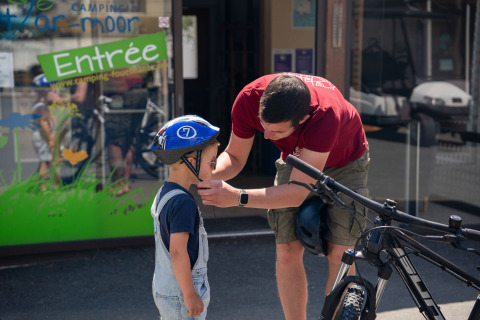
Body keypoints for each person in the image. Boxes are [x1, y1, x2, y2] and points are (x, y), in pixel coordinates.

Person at [197, 73, 369, 320]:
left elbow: (297, 193)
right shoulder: (249, 99)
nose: (266, 136)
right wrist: (207, 172)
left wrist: (238, 196)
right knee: (286, 249)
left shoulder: (325, 114)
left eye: (276, 131)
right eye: (263, 126)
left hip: (346, 162)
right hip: (297, 156)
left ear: (303, 119)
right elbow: (234, 157)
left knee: (340, 253)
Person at [150, 115, 220, 320]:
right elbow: (178, 251)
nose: (215, 168)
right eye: (212, 162)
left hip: (166, 287)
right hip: (181, 294)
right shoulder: (183, 203)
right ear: (191, 161)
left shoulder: (165, 193)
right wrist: (190, 295)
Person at [31, 73, 68, 188]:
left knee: (47, 161)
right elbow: (44, 123)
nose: (55, 89)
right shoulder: (41, 106)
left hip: (46, 136)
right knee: (46, 162)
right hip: (44, 136)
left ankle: (47, 184)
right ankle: (45, 186)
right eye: (53, 86)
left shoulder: (43, 104)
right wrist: (50, 140)